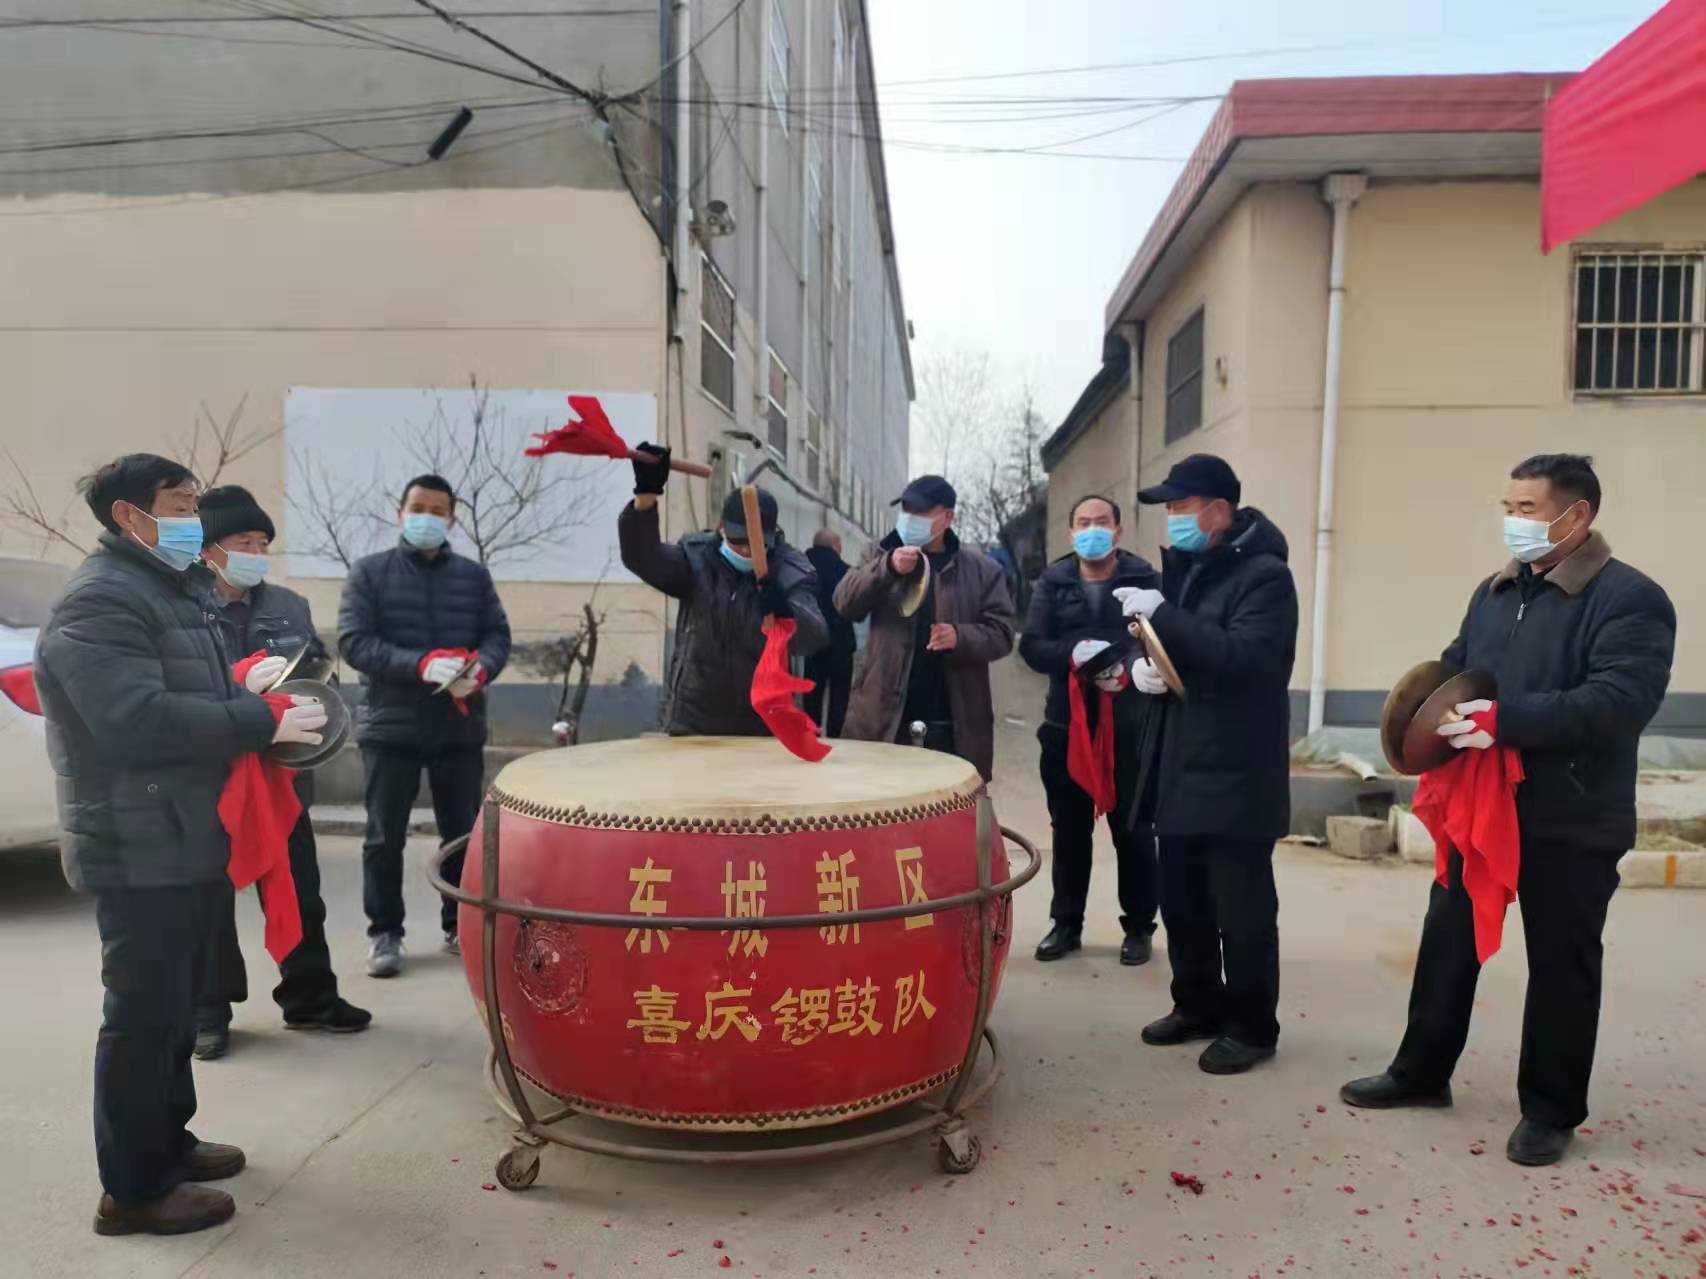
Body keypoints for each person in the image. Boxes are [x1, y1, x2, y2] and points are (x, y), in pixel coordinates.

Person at [1341, 454, 1675, 1167]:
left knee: (1562, 963)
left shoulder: (1629, 599)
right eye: (1509, 507)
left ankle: (1551, 1109)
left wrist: (1505, 720)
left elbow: (1618, 702)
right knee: (1447, 941)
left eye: (1527, 509)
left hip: (1572, 813)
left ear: (1576, 515)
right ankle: (1420, 1072)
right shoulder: (1495, 592)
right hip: (1483, 804)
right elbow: (1459, 666)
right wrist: (1427, 715)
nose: (1513, 521)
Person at [35, 454, 329, 1237]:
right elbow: (135, 721)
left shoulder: (173, 588)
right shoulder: (100, 600)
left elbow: (193, 694)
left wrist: (246, 690)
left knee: (172, 1010)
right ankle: (133, 1189)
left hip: (184, 831)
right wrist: (258, 719)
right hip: (136, 839)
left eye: (196, 504)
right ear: (129, 515)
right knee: (141, 1013)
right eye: (180, 504)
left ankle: (169, 1141)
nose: (194, 519)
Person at [1120, 453, 1297, 1076]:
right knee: (1183, 901)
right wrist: (1143, 667)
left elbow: (1245, 658)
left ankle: (1251, 1027)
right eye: (1168, 508)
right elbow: (1172, 649)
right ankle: (1195, 1004)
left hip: (1236, 769)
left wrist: (1162, 617)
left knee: (1241, 912)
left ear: (1220, 511)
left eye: (1180, 506)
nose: (1171, 518)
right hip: (1179, 761)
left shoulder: (1265, 578)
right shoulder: (1186, 569)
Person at [188, 486, 371, 1060]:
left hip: (281, 773)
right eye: (243, 541)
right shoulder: (181, 605)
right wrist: (238, 685)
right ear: (209, 548)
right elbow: (178, 683)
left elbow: (315, 667)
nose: (256, 553)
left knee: (300, 890)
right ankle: (208, 1012)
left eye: (263, 543)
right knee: (208, 901)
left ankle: (310, 997)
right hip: (209, 777)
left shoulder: (288, 605)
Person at [338, 474, 511, 978]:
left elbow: (497, 636)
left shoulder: (473, 577)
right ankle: (385, 932)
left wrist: (481, 669)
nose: (427, 518)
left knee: (461, 834)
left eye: (438, 511)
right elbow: (353, 641)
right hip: (390, 725)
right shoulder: (370, 573)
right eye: (418, 508)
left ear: (452, 519)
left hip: (457, 726)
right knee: (383, 836)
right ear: (400, 513)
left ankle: (459, 924)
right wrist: (420, 664)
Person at [1020, 495, 1161, 966]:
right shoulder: (1053, 582)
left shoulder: (1145, 579)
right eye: (1083, 522)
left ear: (1118, 531)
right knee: (1069, 831)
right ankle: (1066, 923)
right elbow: (1032, 646)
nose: (1092, 530)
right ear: (1071, 532)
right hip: (1067, 726)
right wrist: (1072, 655)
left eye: (1102, 522)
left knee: (1134, 830)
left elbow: (1161, 637)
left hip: (1130, 725)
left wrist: (1130, 664)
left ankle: (1139, 926)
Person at [617, 444, 827, 733]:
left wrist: (786, 611)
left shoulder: (790, 569)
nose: (745, 551)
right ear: (721, 529)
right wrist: (646, 495)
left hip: (763, 722)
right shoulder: (696, 559)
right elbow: (643, 557)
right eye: (737, 542)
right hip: (693, 719)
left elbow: (814, 636)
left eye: (754, 544)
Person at [835, 474, 1016, 781]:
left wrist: (960, 636)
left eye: (919, 512)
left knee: (945, 806)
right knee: (880, 801)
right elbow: (844, 603)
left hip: (951, 721)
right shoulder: (878, 553)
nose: (909, 519)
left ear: (947, 518)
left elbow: (1003, 633)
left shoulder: (982, 570)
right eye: (905, 510)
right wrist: (888, 568)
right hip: (884, 717)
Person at [803, 528, 856, 737]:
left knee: (811, 691)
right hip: (840, 641)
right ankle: (836, 735)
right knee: (839, 694)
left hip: (811, 640)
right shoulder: (846, 572)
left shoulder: (801, 567)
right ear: (835, 544)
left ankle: (810, 733)